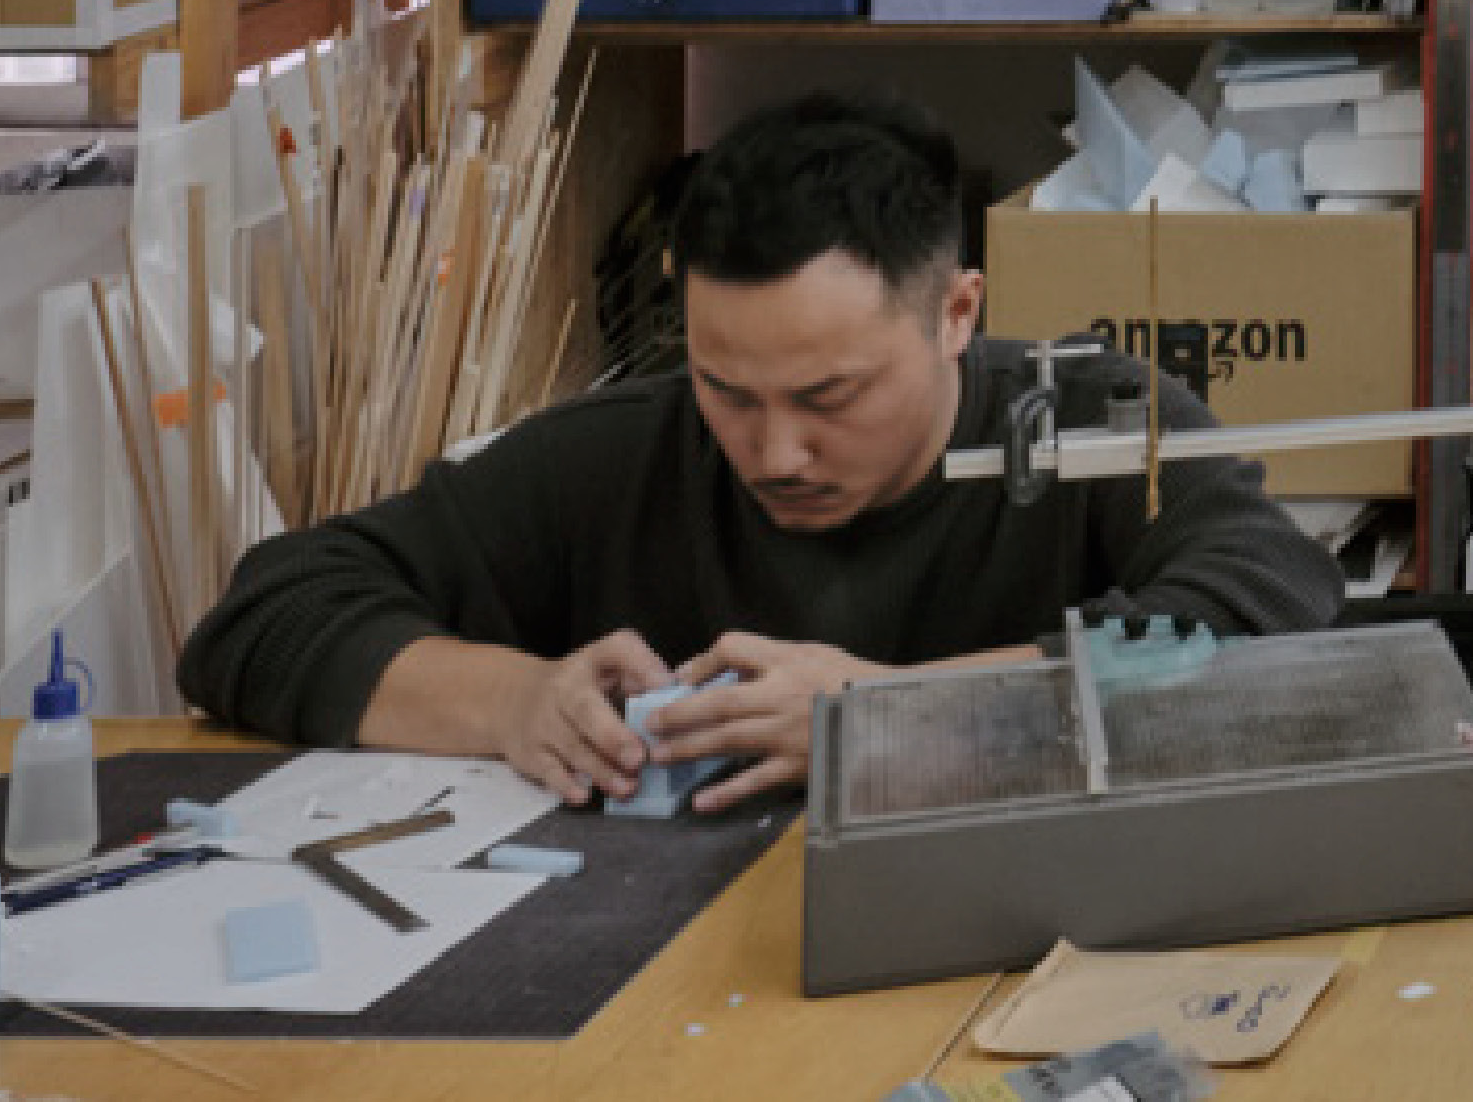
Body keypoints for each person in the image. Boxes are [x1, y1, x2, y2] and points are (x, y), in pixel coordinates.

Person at [180, 90, 1339, 807]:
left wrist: (898, 716)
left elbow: (1274, 627)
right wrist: (513, 700)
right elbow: (268, 614)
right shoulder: (618, 457)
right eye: (726, 389)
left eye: (830, 394)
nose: (774, 451)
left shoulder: (1096, 425)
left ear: (956, 313)